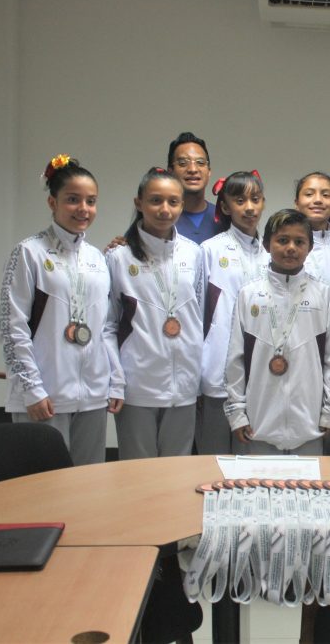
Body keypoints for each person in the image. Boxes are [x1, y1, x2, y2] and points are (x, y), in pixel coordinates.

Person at [0, 154, 121, 465]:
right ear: (52, 202)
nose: (83, 209)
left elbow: (106, 327)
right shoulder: (29, 253)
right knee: (43, 484)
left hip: (93, 396)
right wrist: (32, 389)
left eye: (91, 201)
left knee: (89, 483)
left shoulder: (97, 258)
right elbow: (12, 328)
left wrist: (113, 381)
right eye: (73, 199)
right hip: (45, 395)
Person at [104, 167, 204, 459]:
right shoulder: (118, 257)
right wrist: (116, 380)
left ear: (182, 205)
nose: (164, 209)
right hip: (137, 384)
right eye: (155, 200)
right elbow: (108, 325)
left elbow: (199, 316)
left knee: (178, 471)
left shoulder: (193, 253)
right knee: (138, 472)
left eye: (173, 202)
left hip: (184, 384)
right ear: (139, 203)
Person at [223, 210, 330, 455]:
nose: (291, 248)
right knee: (260, 480)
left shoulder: (322, 294)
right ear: (267, 245)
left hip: (309, 425)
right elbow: (235, 360)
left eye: (299, 242)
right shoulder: (249, 294)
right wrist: (237, 413)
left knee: (309, 480)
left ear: (310, 248)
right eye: (282, 240)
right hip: (259, 424)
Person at [197, 170, 267, 455]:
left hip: (259, 373)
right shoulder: (210, 251)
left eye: (255, 199)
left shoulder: (269, 255)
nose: (249, 207)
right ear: (225, 207)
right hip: (217, 369)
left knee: (250, 461)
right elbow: (197, 313)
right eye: (240, 201)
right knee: (213, 459)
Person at [295, 171, 330, 306]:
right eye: (309, 194)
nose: (318, 200)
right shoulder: (288, 244)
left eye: (326, 195)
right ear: (297, 203)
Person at [168, 132, 218, 244]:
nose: (193, 169)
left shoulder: (225, 218)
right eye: (183, 163)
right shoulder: (160, 218)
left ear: (209, 171)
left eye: (200, 162)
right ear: (170, 171)